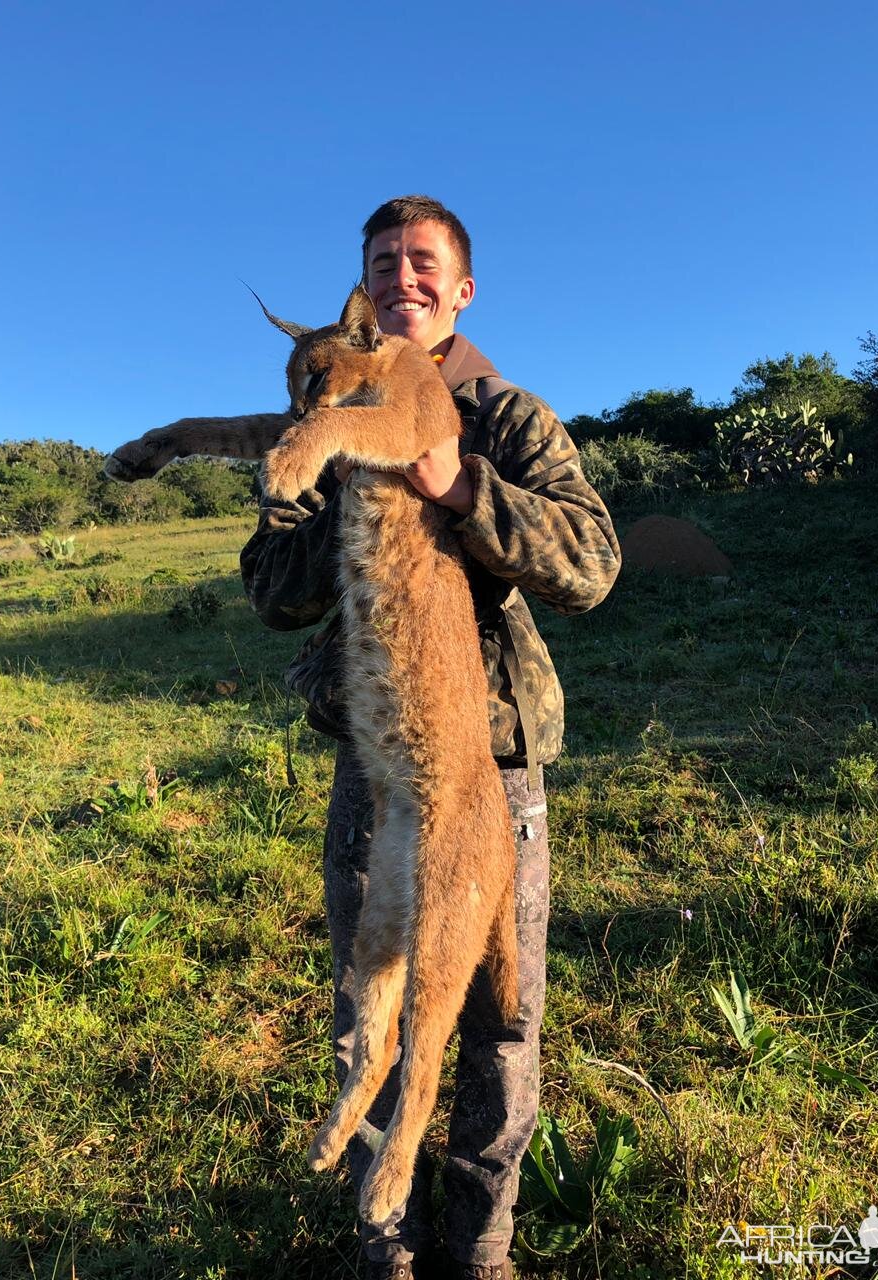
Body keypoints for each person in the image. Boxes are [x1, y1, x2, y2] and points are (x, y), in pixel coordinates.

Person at [240, 196, 621, 1280]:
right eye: (381, 261)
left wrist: (457, 487)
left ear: (459, 291)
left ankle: (482, 1241)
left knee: (504, 1017)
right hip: (382, 757)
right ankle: (384, 1243)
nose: (402, 275)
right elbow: (269, 582)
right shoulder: (317, 408)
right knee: (374, 1004)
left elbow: (592, 562)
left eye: (423, 262)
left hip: (495, 753)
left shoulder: (508, 416)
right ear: (361, 290)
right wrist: (356, 480)